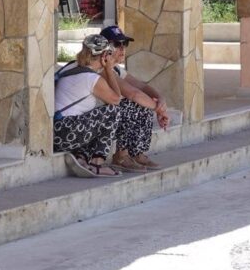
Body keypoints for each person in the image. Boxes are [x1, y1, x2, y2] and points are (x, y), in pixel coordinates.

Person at [100, 25, 169, 172]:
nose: (122, 48)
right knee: (131, 103)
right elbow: (133, 93)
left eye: (124, 44)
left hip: (104, 115)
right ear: (105, 48)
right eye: (117, 44)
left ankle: (137, 153)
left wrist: (160, 99)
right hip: (92, 118)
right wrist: (159, 110)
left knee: (143, 102)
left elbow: (141, 86)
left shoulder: (116, 69)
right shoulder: (102, 68)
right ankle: (121, 155)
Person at [53, 34, 122, 178]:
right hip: (67, 133)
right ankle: (97, 163)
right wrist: (109, 69)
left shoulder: (70, 68)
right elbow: (116, 99)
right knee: (112, 111)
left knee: (90, 115)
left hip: (54, 133)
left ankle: (81, 157)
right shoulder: (92, 79)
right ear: (104, 56)